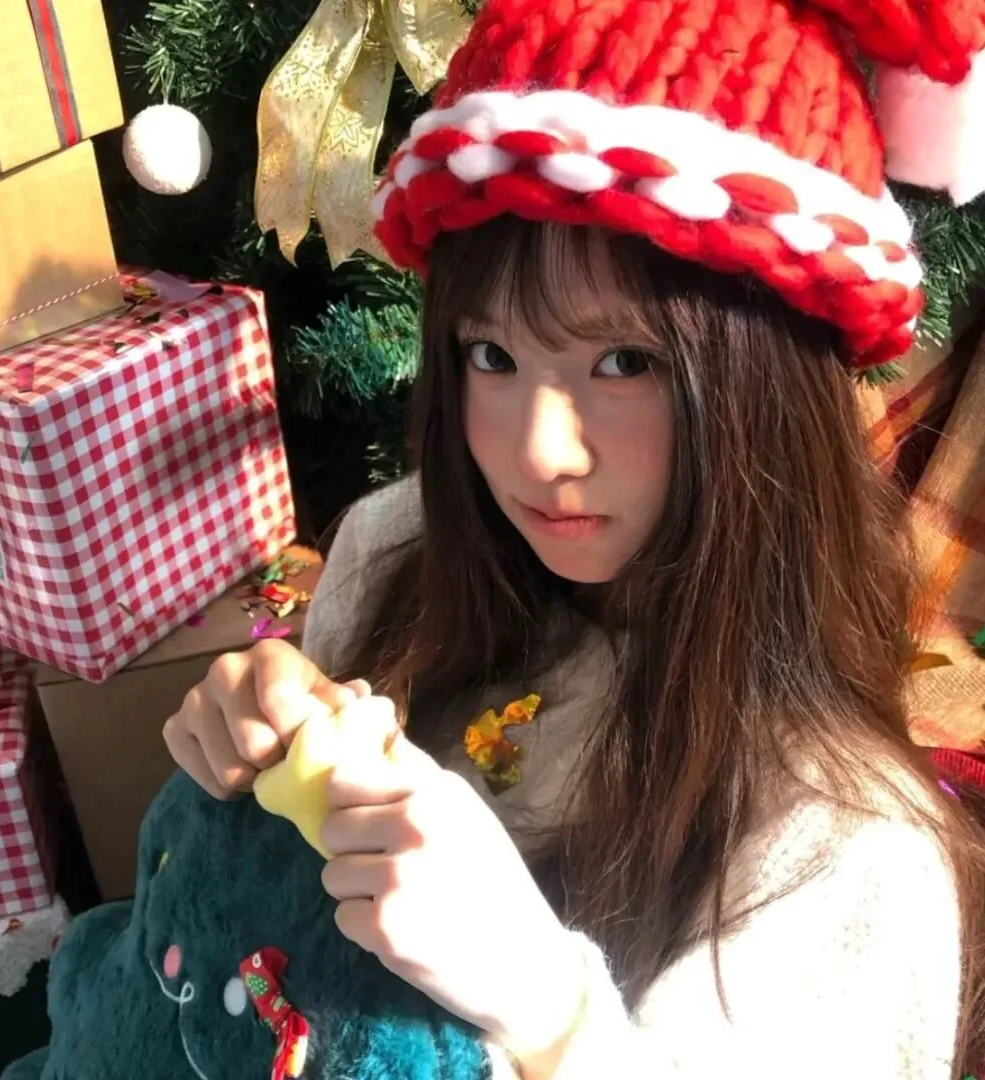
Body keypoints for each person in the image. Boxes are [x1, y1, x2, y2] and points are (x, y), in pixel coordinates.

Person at [164, 0, 985, 1076]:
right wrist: (270, 726)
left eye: (624, 363)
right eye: (492, 356)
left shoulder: (848, 854)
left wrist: (548, 1007)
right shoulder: (397, 554)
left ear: (769, 387)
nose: (541, 452)